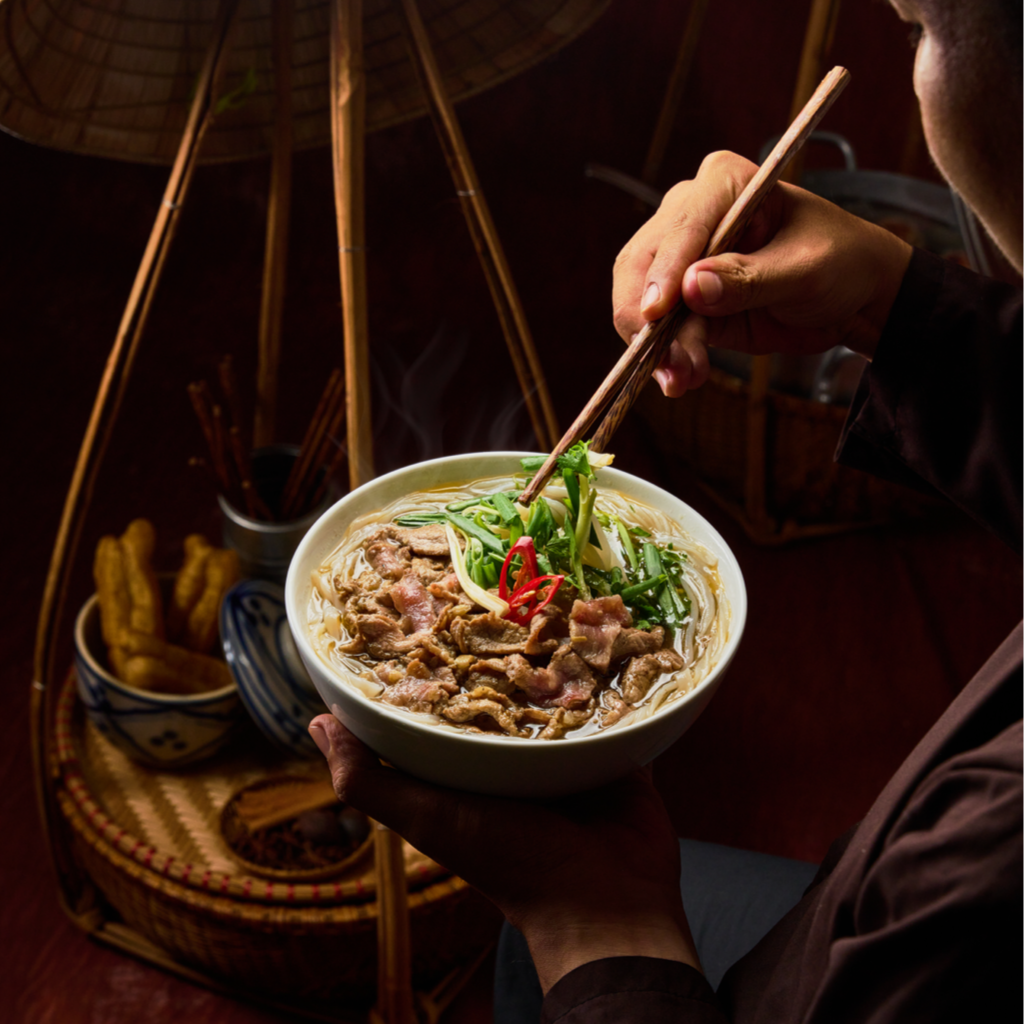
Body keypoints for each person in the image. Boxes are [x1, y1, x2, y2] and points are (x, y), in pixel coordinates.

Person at [308, 0, 1024, 1018]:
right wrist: (896, 309)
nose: (910, 59)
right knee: (519, 965)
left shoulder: (990, 868)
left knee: (531, 955)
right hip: (863, 902)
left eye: (915, 28)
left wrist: (596, 922)